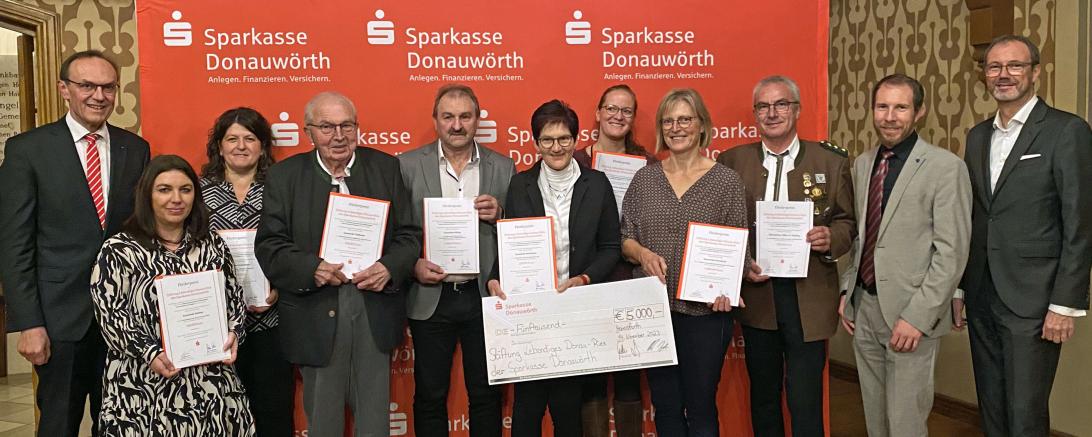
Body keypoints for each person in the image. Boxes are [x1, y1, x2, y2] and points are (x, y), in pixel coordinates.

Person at [0, 49, 149, 437]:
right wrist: (28, 324)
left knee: (119, 424)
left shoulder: (135, 148)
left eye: (108, 87)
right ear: (64, 89)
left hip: (122, 321)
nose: (99, 96)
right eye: (87, 86)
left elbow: (139, 234)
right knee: (58, 425)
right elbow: (14, 244)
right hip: (59, 321)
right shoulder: (27, 150)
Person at [255, 91, 421, 437]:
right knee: (324, 422)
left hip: (373, 305)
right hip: (315, 308)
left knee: (375, 421)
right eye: (327, 127)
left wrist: (389, 267)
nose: (339, 135)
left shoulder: (386, 167)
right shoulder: (286, 176)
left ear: (358, 128)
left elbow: (408, 236)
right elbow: (270, 245)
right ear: (308, 132)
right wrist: (310, 268)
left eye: (347, 125)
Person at [958, 35, 1092, 437]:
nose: (1004, 75)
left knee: (1025, 413)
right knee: (993, 409)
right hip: (982, 293)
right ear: (984, 76)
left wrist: (1065, 305)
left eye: (1015, 65)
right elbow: (976, 217)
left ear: (1035, 72)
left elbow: (1080, 223)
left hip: (1034, 301)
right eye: (994, 67)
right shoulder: (976, 136)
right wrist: (961, 290)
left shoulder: (1067, 131)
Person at [717, 75, 856, 437]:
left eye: (781, 104)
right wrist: (741, 261)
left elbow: (848, 222)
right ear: (755, 114)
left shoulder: (831, 160)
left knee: (805, 397)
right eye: (763, 106)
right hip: (759, 295)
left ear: (796, 110)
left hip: (808, 296)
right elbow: (724, 224)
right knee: (763, 396)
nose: (772, 113)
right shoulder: (733, 161)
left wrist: (831, 237)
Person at [838, 74, 971, 437]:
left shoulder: (945, 167)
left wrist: (918, 317)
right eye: (883, 107)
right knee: (876, 421)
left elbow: (952, 252)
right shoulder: (864, 164)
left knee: (906, 424)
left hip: (911, 315)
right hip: (864, 308)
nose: (890, 116)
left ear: (919, 112)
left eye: (900, 107)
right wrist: (847, 291)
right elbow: (863, 236)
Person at [90, 154, 255, 436]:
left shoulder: (211, 244)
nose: (176, 199)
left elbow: (234, 298)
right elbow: (110, 315)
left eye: (185, 189)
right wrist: (150, 352)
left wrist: (234, 332)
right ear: (147, 195)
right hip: (143, 385)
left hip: (209, 383)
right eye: (164, 189)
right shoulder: (119, 249)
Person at [486, 99, 621, 437]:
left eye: (564, 138)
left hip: (575, 310)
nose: (556, 147)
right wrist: (494, 279)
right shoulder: (521, 184)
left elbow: (610, 248)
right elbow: (510, 242)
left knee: (567, 409)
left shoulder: (598, 183)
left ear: (576, 140)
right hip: (531, 312)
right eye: (547, 139)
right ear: (535, 143)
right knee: (526, 410)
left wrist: (585, 278)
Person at [621, 88, 747, 436]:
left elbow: (738, 246)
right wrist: (642, 254)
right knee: (666, 406)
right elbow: (624, 238)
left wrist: (728, 287)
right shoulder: (645, 179)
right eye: (668, 120)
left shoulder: (726, 182)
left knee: (702, 404)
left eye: (685, 119)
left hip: (706, 315)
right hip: (655, 311)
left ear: (701, 124)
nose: (676, 127)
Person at [398, 84, 514, 437]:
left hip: (484, 295)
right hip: (430, 295)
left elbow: (524, 230)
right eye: (448, 116)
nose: (457, 125)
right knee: (430, 395)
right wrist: (412, 264)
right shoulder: (405, 165)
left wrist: (502, 214)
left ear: (478, 119)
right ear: (435, 121)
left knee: (486, 394)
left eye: (465, 116)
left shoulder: (504, 166)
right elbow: (397, 231)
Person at [200, 107, 294, 437]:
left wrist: (280, 285)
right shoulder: (197, 192)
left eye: (250, 138)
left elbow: (298, 246)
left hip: (272, 319)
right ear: (219, 145)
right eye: (232, 138)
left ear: (263, 145)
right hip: (217, 325)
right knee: (222, 412)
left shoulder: (283, 187)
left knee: (274, 408)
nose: (241, 146)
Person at [574, 84, 655, 437]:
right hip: (587, 277)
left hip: (630, 278)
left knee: (627, 377)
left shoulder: (649, 165)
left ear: (633, 118)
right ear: (597, 112)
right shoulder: (575, 160)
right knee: (590, 376)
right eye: (611, 108)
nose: (617, 116)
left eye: (625, 111)